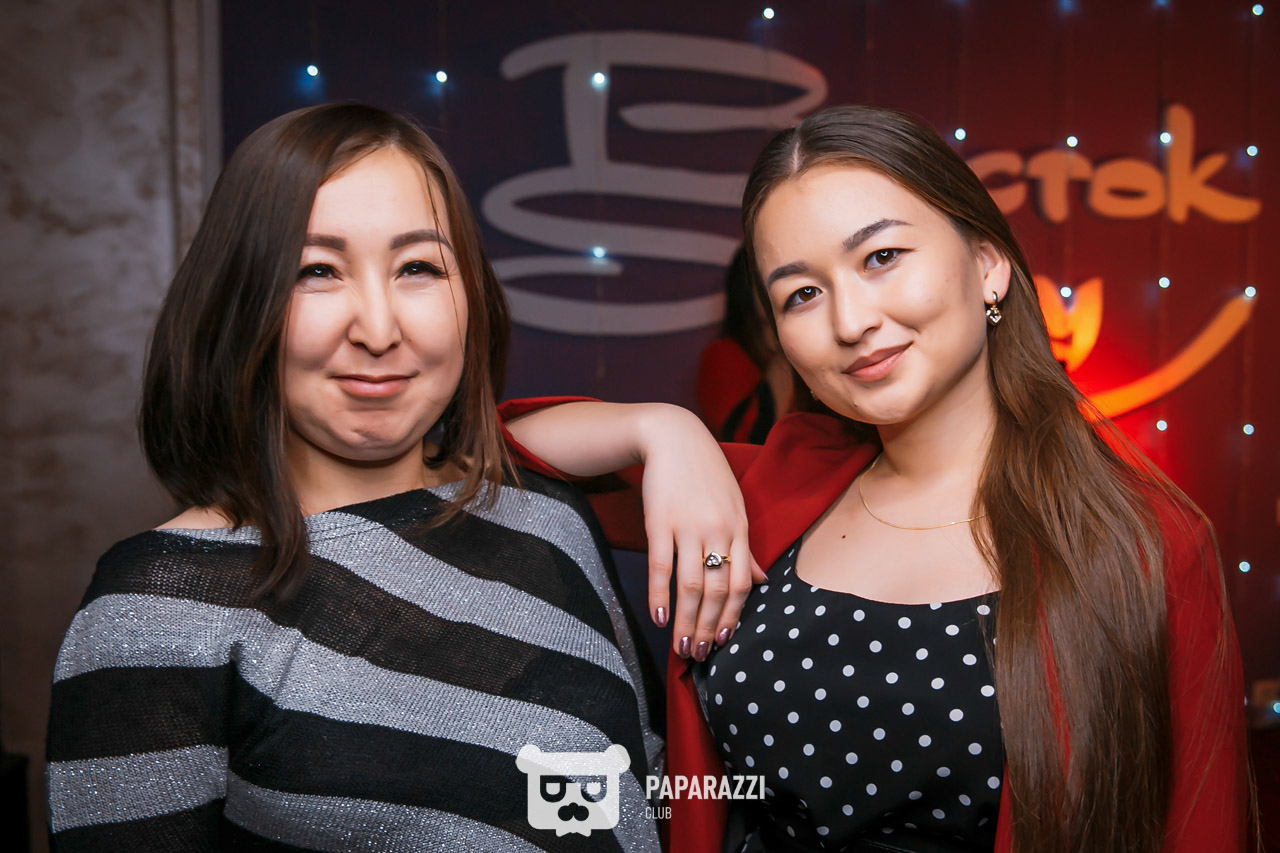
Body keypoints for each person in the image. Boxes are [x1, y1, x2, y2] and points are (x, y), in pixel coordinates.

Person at [502, 106, 1249, 852]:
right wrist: (664, 429)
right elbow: (488, 452)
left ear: (988, 264)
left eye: (882, 256)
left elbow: (1203, 827)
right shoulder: (768, 494)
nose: (851, 321)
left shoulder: (1146, 542)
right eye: (802, 294)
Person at [45, 103, 756, 851]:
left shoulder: (548, 517)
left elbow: (645, 797)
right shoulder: (157, 609)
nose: (380, 330)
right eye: (317, 272)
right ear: (240, 303)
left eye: (418, 267)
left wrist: (668, 428)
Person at [697, 247, 793, 443]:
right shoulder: (723, 355)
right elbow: (748, 440)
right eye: (771, 278)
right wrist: (784, 355)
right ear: (747, 287)